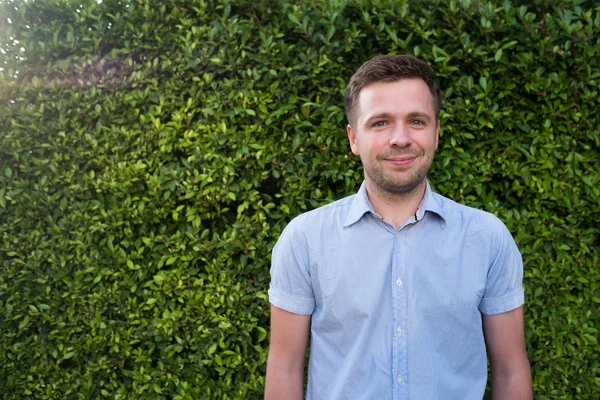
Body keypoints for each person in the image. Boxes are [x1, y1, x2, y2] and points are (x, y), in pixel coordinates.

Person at [264, 55, 532, 400]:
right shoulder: (304, 240)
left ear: (436, 132)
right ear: (353, 138)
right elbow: (284, 368)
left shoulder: (487, 239)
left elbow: (511, 371)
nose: (401, 138)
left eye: (416, 121)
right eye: (380, 123)